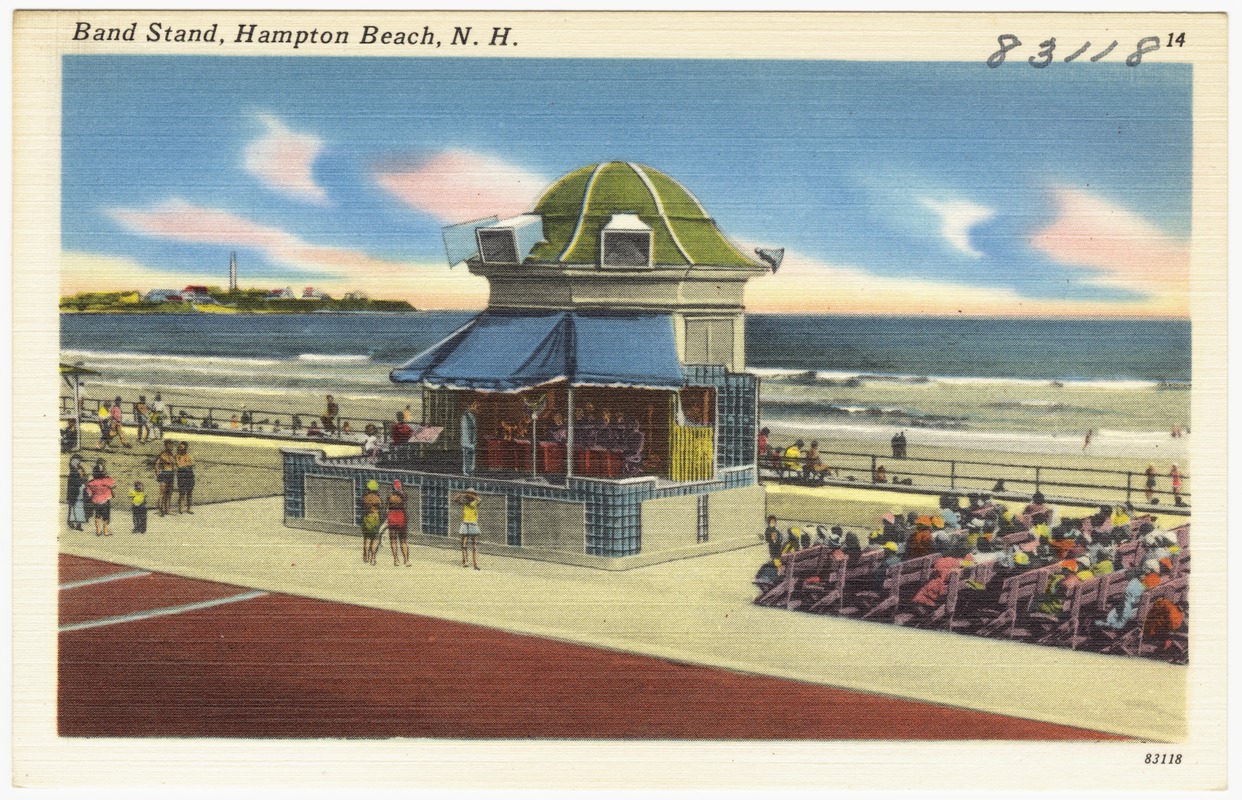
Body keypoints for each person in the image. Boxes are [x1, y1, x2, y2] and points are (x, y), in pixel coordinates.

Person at [85, 462, 116, 536]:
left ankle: (98, 530)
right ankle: (105, 530)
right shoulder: (106, 480)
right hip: (105, 501)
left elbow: (88, 491)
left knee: (97, 515)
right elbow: (114, 485)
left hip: (96, 501)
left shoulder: (91, 482)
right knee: (105, 516)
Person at [454, 488, 481, 569]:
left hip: (473, 524)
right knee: (464, 544)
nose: (469, 495)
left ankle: (475, 563)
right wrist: (462, 495)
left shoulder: (475, 502)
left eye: (471, 493)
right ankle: (465, 561)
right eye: (468, 493)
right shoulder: (464, 502)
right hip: (465, 523)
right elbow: (455, 499)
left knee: (474, 545)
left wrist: (472, 495)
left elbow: (479, 500)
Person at [386, 479, 410, 567]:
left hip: (392, 517)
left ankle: (395, 560)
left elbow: (387, 508)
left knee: (393, 540)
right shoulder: (403, 495)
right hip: (401, 517)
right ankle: (406, 560)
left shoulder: (390, 496)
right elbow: (405, 503)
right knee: (403, 540)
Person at [360, 479, 383, 565]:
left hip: (366, 518)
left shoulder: (365, 498)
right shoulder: (377, 498)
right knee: (374, 538)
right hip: (375, 519)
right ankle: (372, 557)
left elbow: (362, 507)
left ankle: (365, 555)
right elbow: (380, 506)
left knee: (366, 538)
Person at [66, 453, 87, 530]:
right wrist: (81, 478)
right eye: (79, 461)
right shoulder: (73, 471)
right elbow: (77, 481)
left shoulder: (78, 469)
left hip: (79, 491)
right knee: (73, 508)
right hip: (74, 492)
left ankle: (78, 524)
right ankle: (72, 522)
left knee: (79, 508)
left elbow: (84, 477)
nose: (79, 462)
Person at [154, 441, 176, 516]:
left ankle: (168, 509)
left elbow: (173, 465)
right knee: (162, 493)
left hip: (171, 474)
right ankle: (160, 510)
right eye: (170, 445)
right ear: (166, 445)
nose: (171, 447)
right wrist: (157, 474)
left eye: (172, 445)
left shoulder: (171, 455)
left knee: (169, 493)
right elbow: (156, 465)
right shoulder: (162, 454)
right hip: (164, 473)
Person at [175, 442, 196, 514]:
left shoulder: (189, 456)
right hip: (181, 476)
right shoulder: (177, 456)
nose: (181, 449)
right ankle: (181, 508)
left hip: (190, 476)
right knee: (182, 493)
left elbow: (192, 464)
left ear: (186, 448)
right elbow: (179, 465)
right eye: (180, 448)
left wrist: (185, 466)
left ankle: (189, 509)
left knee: (189, 493)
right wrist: (187, 466)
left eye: (183, 448)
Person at [460, 400, 479, 476]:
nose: (477, 408)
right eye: (476, 406)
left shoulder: (471, 415)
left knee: (471, 457)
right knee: (467, 457)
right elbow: (466, 430)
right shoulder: (466, 416)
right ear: (472, 406)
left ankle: (470, 471)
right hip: (467, 441)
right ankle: (467, 471)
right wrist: (470, 442)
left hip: (471, 441)